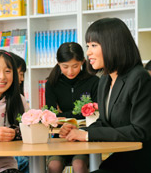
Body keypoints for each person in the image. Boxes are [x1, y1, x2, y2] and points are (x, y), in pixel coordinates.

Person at [59, 17, 151, 173]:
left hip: (140, 161)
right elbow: (103, 122)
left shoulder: (139, 77)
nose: (88, 52)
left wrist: (87, 136)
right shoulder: (104, 80)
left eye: (94, 45)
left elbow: (140, 131)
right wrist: (80, 131)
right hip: (121, 160)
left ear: (113, 45)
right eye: (88, 46)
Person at [45, 42, 99, 173]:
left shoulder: (94, 81)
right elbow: (51, 117)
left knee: (79, 164)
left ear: (83, 62)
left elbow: (96, 114)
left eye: (75, 66)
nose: (70, 71)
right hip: (61, 136)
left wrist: (65, 116)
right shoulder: (52, 84)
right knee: (54, 165)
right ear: (58, 64)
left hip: (85, 135)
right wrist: (77, 115)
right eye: (65, 66)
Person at [9, 53, 29, 173]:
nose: (21, 79)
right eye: (20, 74)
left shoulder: (20, 99)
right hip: (7, 154)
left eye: (23, 75)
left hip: (18, 150)